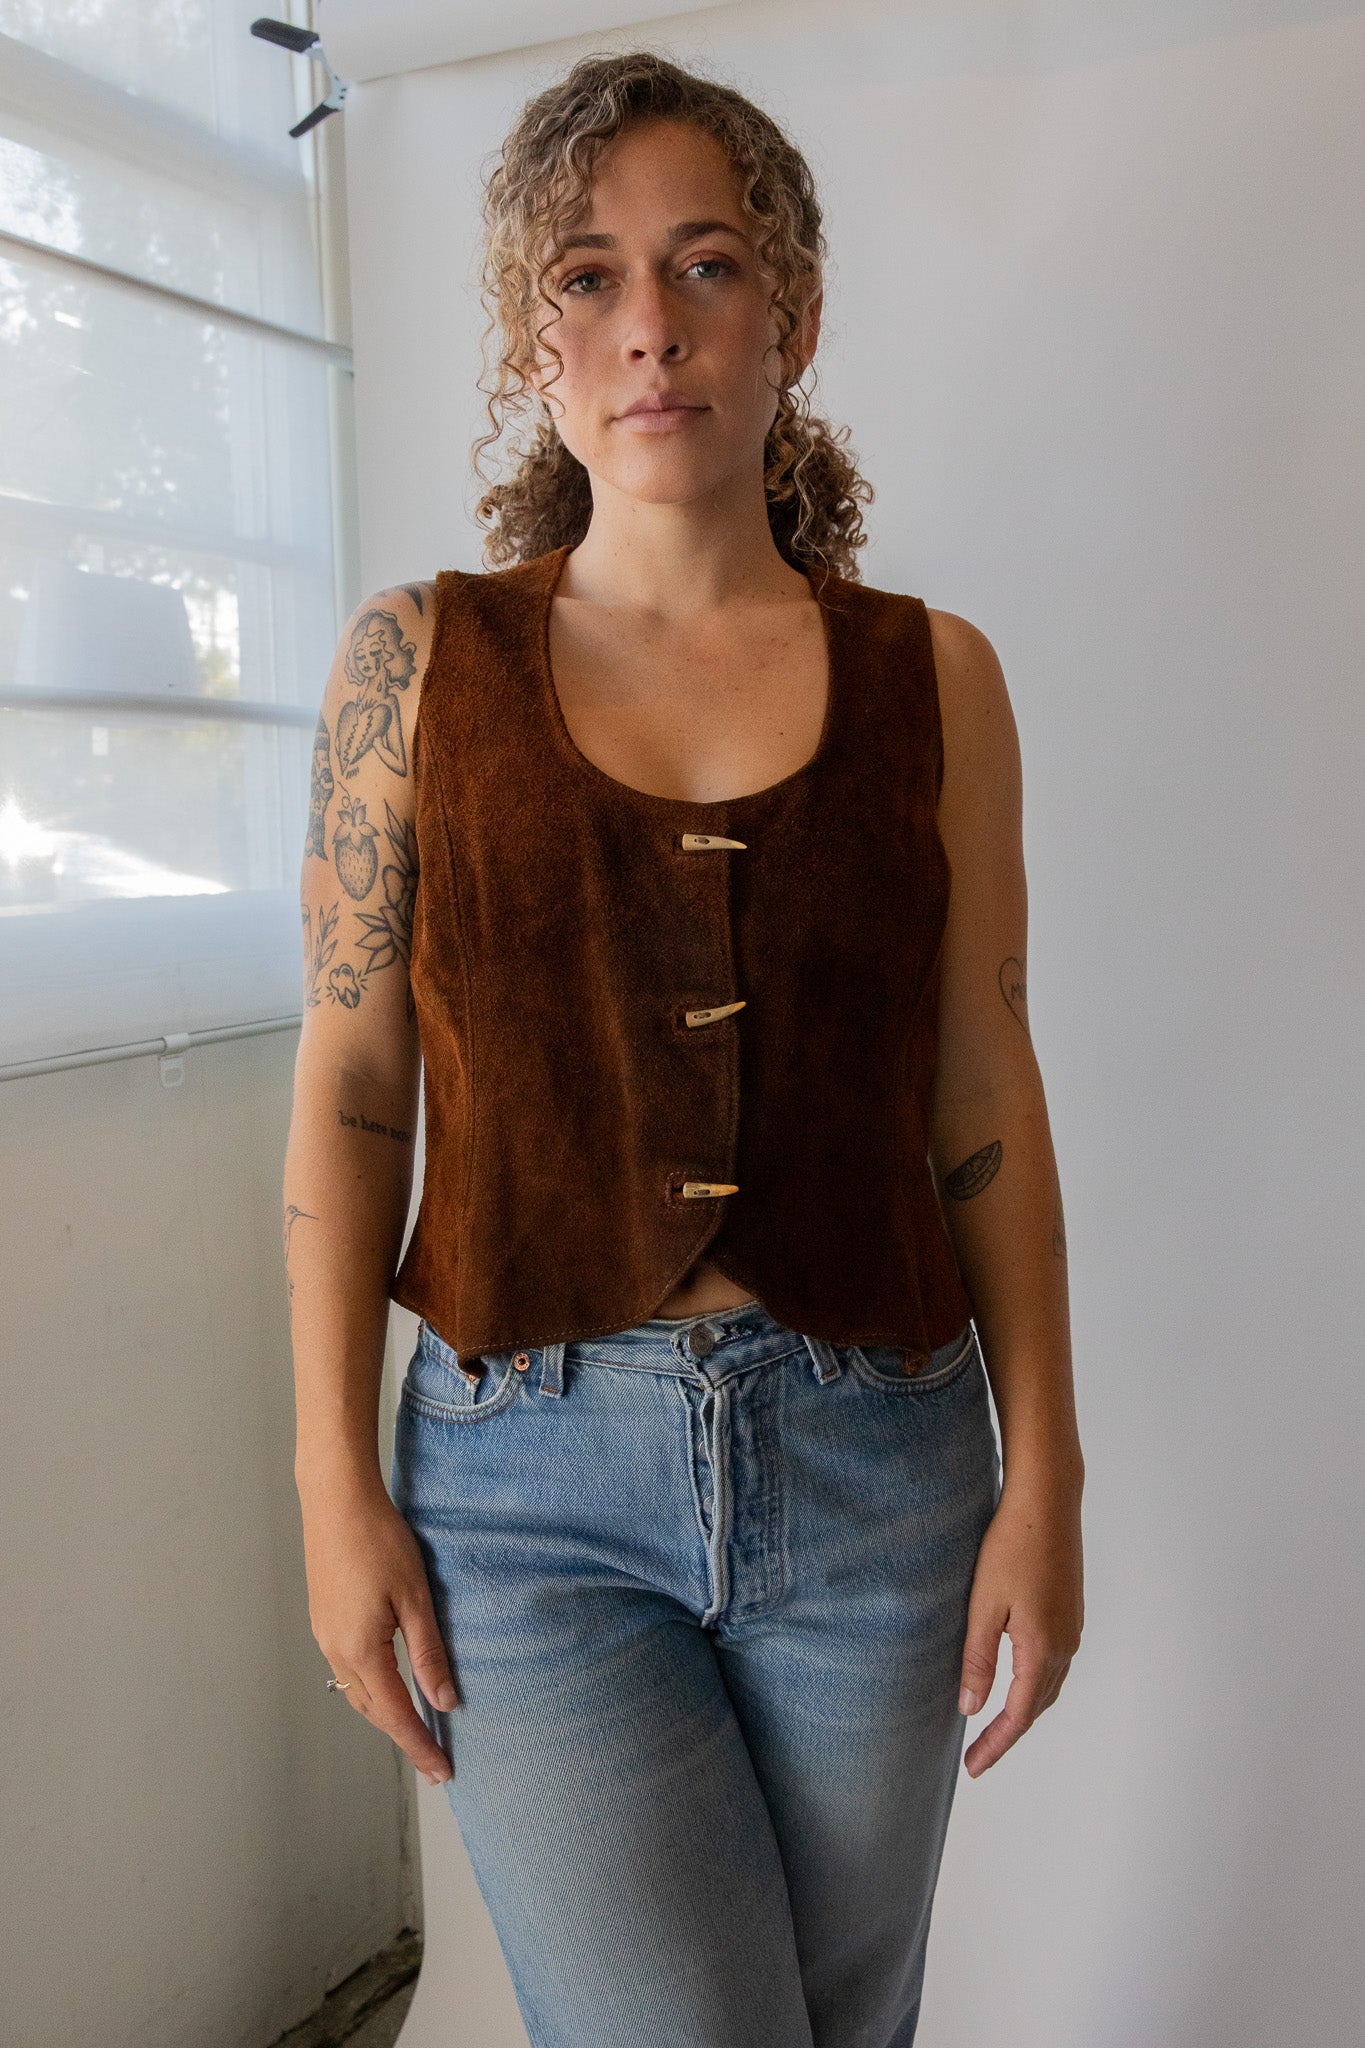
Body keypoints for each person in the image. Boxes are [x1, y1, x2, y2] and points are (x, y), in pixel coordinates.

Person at [284, 48, 1084, 2048]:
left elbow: (980, 1088)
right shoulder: (415, 665)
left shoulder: (935, 681)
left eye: (706, 263)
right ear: (526, 336)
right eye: (588, 274)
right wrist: (328, 1480)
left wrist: (1046, 1473)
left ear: (788, 313)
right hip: (520, 1485)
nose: (649, 323)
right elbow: (355, 1089)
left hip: (882, 1465)